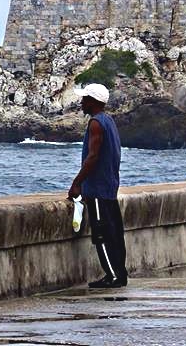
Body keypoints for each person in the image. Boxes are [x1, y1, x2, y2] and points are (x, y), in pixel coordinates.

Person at [68, 83, 128, 288]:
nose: (81, 102)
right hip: (109, 186)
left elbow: (93, 157)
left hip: (97, 189)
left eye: (85, 99)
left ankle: (113, 276)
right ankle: (120, 273)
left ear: (93, 102)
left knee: (101, 235)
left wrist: (77, 183)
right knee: (115, 234)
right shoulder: (108, 121)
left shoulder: (95, 123)